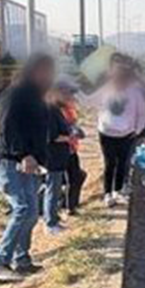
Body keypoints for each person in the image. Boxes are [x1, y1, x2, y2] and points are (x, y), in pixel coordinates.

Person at [0, 54, 54, 283]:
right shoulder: (15, 93)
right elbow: (8, 127)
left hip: (31, 164)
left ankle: (22, 259)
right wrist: (23, 154)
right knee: (23, 209)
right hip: (12, 162)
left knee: (32, 213)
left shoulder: (37, 96)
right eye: (45, 71)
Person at [90, 62, 145, 207]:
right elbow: (90, 101)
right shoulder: (105, 90)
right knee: (110, 163)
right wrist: (74, 92)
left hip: (126, 134)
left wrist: (137, 130)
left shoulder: (134, 93)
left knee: (122, 163)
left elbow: (142, 112)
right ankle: (108, 193)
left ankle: (118, 191)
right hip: (106, 132)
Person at [43, 84, 78, 235]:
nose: (70, 98)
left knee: (55, 189)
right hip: (53, 157)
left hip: (59, 156)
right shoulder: (50, 110)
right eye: (67, 95)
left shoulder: (56, 109)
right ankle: (50, 223)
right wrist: (69, 137)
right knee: (52, 189)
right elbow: (51, 135)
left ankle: (54, 218)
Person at [53, 78, 87, 214]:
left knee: (77, 177)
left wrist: (77, 131)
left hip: (70, 149)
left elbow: (72, 125)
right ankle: (66, 207)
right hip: (59, 151)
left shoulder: (68, 108)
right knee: (69, 179)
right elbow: (53, 133)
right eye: (68, 93)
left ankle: (69, 206)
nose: (72, 96)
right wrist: (71, 134)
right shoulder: (53, 109)